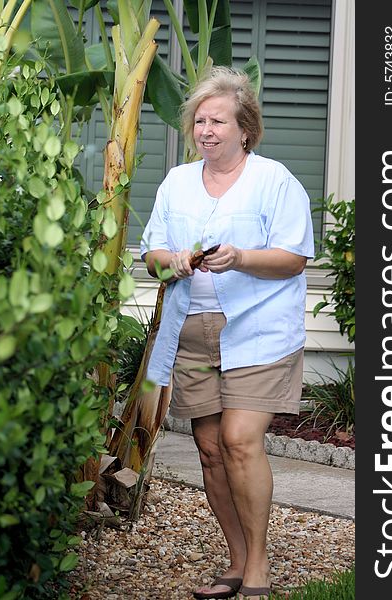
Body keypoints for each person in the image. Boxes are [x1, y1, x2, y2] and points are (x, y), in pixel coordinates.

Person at [140, 66, 314, 600]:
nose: (206, 129)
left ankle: (259, 568)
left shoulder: (275, 180)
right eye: (199, 120)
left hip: (258, 330)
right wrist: (170, 259)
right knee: (211, 449)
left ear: (245, 129)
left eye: (218, 120)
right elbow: (150, 256)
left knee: (240, 440)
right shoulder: (175, 182)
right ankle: (236, 561)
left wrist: (239, 257)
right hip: (192, 331)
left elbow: (293, 257)